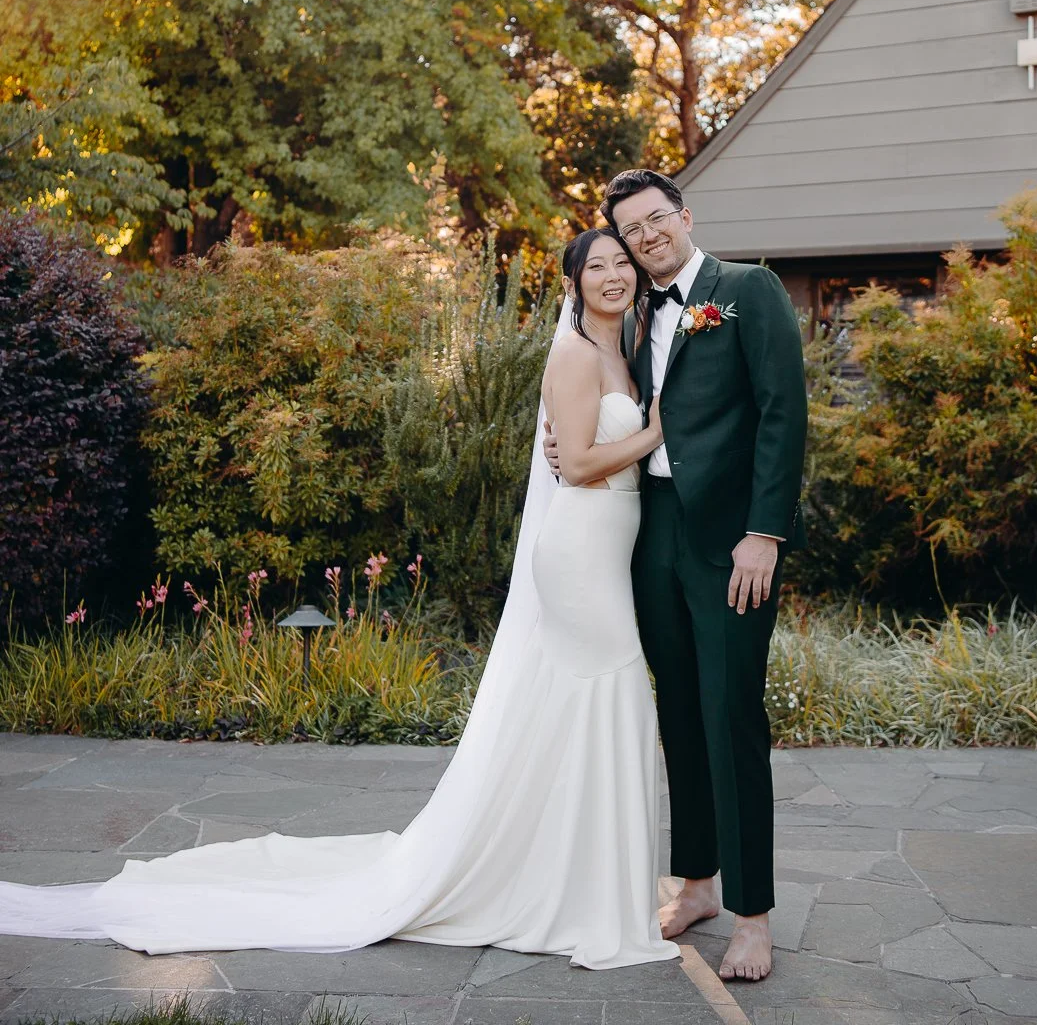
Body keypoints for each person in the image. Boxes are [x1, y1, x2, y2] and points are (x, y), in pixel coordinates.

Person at [0, 229, 679, 973]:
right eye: (597, 267)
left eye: (622, 264)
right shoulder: (576, 353)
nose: (614, 275)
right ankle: (581, 896)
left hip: (612, 552)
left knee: (591, 708)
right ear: (574, 284)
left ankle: (573, 880)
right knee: (608, 696)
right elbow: (578, 463)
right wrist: (651, 434)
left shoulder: (630, 344)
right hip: (580, 554)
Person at [546, 169, 807, 983]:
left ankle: (754, 917)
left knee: (731, 717)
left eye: (658, 219)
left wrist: (763, 533)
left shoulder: (746, 291)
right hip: (648, 534)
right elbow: (600, 400)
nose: (648, 236)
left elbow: (782, 413)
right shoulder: (631, 314)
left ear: (684, 216)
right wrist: (562, 450)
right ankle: (696, 881)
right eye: (631, 230)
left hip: (730, 543)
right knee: (681, 716)